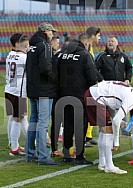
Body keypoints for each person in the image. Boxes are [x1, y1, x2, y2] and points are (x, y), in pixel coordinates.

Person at [84, 81, 133, 174]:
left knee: (104, 130)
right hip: (95, 96)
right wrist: (116, 141)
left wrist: (123, 123)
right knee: (108, 131)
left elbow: (115, 114)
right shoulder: (132, 99)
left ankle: (102, 163)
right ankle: (109, 166)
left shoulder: (132, 94)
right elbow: (116, 121)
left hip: (93, 93)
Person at [57, 33, 101, 165]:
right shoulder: (84, 55)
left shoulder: (63, 54)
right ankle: (79, 157)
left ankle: (67, 155)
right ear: (86, 42)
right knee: (80, 126)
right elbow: (92, 77)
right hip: (79, 95)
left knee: (68, 125)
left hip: (63, 94)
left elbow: (55, 71)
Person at [26, 22, 59, 165]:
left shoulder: (32, 46)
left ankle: (30, 153)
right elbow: (46, 68)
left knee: (33, 120)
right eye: (51, 31)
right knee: (43, 123)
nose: (52, 34)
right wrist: (55, 81)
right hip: (44, 89)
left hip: (32, 88)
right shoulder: (45, 46)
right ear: (46, 31)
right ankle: (43, 156)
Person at [96, 35, 133, 136]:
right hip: (107, 90)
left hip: (120, 88)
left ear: (117, 43)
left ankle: (125, 130)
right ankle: (103, 130)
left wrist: (127, 79)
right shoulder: (101, 56)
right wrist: (101, 80)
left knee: (123, 108)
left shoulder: (123, 56)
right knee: (107, 110)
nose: (110, 43)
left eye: (112, 41)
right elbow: (95, 69)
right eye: (108, 41)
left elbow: (129, 68)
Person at [5, 34, 30, 156]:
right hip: (18, 92)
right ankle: (14, 148)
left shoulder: (10, 55)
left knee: (18, 117)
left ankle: (13, 143)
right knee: (18, 118)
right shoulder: (24, 57)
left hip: (9, 89)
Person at [84, 26, 101, 146]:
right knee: (85, 110)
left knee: (90, 109)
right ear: (93, 36)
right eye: (98, 35)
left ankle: (88, 136)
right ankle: (83, 137)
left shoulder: (90, 48)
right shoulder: (86, 48)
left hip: (90, 84)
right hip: (85, 85)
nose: (100, 38)